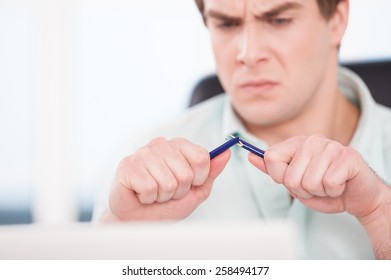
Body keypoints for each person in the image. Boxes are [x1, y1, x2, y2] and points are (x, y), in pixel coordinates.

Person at [93, 0, 391, 259]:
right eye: (226, 23)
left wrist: (380, 212)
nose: (248, 53)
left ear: (337, 19)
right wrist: (120, 235)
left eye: (279, 20)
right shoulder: (142, 169)